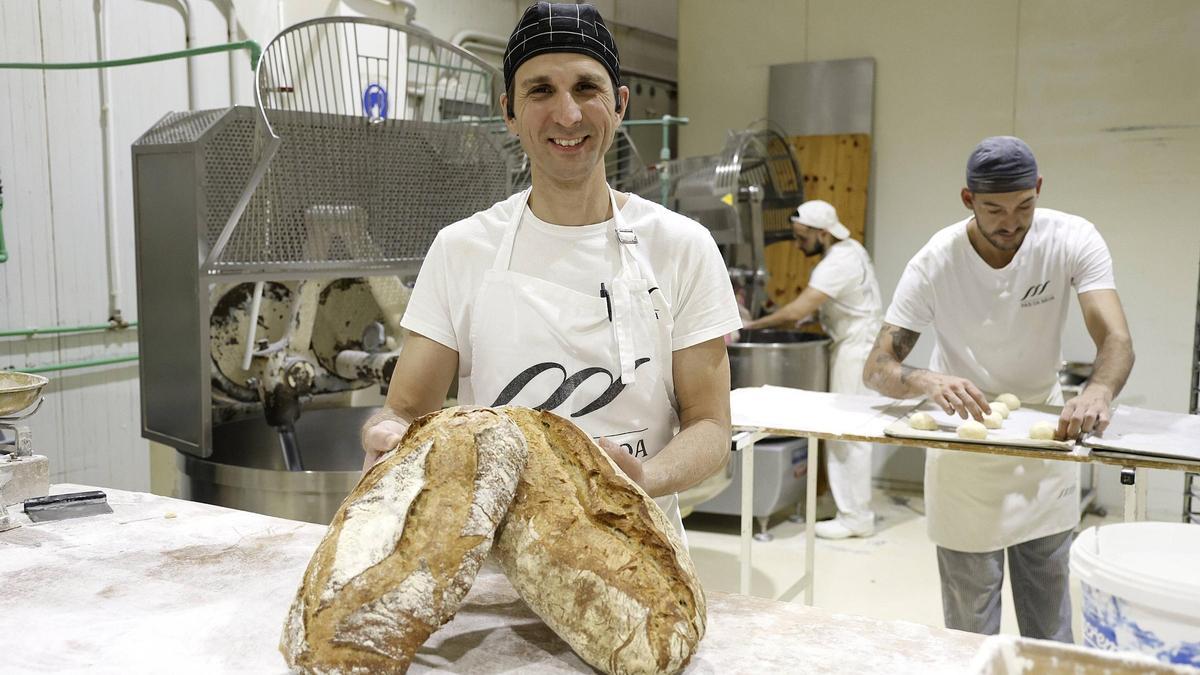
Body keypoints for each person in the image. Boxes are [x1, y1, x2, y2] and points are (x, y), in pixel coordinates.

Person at [359, 2, 742, 541]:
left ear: (620, 104)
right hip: (494, 553)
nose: (567, 115)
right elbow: (404, 411)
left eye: (587, 88)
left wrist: (642, 478)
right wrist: (385, 434)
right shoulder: (461, 249)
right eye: (540, 90)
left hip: (638, 549)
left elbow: (709, 424)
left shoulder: (681, 246)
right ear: (509, 112)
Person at [862, 136, 1134, 640]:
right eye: (994, 210)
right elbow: (877, 366)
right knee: (969, 634)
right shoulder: (935, 262)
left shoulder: (1071, 238)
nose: (1011, 222)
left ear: (1039, 189)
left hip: (1043, 453)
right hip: (966, 453)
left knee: (1049, 625)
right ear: (968, 200)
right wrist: (925, 378)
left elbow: (1115, 337)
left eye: (1024, 206)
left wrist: (1099, 390)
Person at [745, 200, 882, 538]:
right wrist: (814, 315)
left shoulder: (834, 264)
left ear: (823, 233)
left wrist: (749, 326)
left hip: (856, 349)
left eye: (802, 236)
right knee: (850, 433)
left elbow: (794, 312)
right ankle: (850, 509)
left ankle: (855, 518)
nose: (798, 244)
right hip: (861, 344)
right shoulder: (851, 250)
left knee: (846, 434)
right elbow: (837, 303)